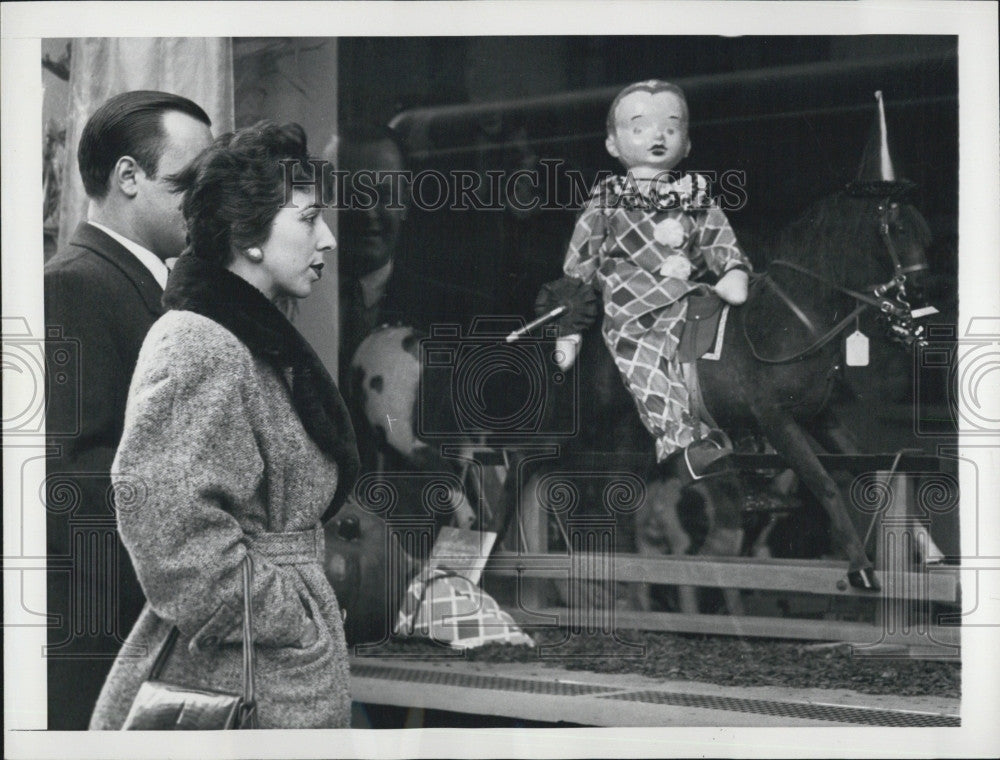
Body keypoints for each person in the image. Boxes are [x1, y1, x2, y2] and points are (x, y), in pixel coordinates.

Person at [88, 121, 360, 729]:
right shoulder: (199, 343)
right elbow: (171, 534)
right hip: (237, 676)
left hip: (270, 668)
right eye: (309, 218)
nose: (330, 239)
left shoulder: (252, 341)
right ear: (249, 233)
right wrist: (290, 619)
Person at [44, 90, 213, 730]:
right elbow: (69, 479)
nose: (203, 201)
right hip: (100, 643)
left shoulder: (142, 283)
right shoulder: (71, 284)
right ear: (127, 177)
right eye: (188, 182)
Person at [557, 80, 751, 462]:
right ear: (613, 143)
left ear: (687, 143)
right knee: (639, 351)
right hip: (631, 299)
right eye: (639, 127)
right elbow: (581, 258)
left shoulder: (695, 193)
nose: (657, 136)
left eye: (671, 128)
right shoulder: (608, 197)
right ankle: (682, 437)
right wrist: (570, 323)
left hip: (688, 292)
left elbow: (717, 237)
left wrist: (731, 268)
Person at [333, 124, 409, 375]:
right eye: (351, 196)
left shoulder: (444, 309)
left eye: (383, 195)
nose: (367, 212)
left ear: (404, 202)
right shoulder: (299, 301)